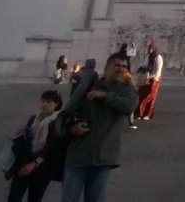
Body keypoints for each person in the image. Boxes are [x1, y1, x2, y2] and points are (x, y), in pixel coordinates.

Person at [58, 52, 138, 202]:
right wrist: (71, 128)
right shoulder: (86, 87)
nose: (121, 69)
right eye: (117, 65)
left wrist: (105, 96)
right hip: (78, 154)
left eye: (124, 66)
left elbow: (129, 107)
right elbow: (63, 115)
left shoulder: (128, 91)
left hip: (103, 157)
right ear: (107, 67)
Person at [6, 89, 65, 202]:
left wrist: (34, 164)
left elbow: (52, 148)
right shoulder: (34, 119)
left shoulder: (57, 122)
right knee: (13, 197)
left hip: (42, 170)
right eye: (43, 101)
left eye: (49, 102)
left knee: (35, 198)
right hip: (23, 165)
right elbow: (26, 142)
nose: (44, 104)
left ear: (56, 104)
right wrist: (23, 133)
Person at [136, 43, 163, 121]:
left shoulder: (158, 58)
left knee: (149, 96)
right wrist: (142, 69)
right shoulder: (148, 57)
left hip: (154, 80)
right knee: (141, 95)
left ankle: (147, 114)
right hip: (146, 78)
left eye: (151, 48)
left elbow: (158, 71)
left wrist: (151, 77)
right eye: (149, 48)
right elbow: (145, 65)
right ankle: (140, 113)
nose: (149, 50)